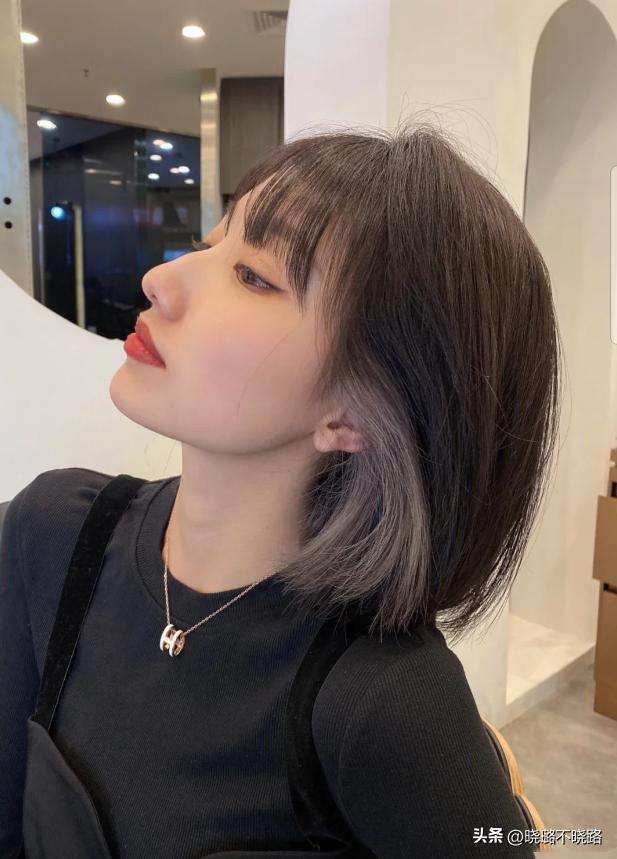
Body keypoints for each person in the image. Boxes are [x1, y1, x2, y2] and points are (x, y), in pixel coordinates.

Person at [0, 118, 561, 858]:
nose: (161, 279)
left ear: (358, 410)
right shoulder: (50, 535)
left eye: (254, 275)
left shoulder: (384, 700)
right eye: (210, 242)